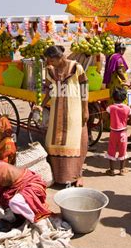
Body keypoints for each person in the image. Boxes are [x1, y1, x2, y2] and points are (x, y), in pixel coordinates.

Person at [34, 45, 89, 187]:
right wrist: (41, 104)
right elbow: (48, 89)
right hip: (56, 111)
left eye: (50, 60)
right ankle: (58, 176)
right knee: (52, 141)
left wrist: (85, 109)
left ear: (58, 57)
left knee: (74, 143)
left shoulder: (76, 68)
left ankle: (77, 176)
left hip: (74, 112)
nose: (49, 63)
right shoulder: (50, 70)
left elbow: (84, 89)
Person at [105, 87, 131, 176]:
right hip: (123, 133)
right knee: (123, 150)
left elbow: (107, 117)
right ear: (125, 98)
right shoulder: (127, 108)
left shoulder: (111, 108)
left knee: (111, 150)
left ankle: (112, 170)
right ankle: (122, 169)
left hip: (113, 132)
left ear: (113, 97)